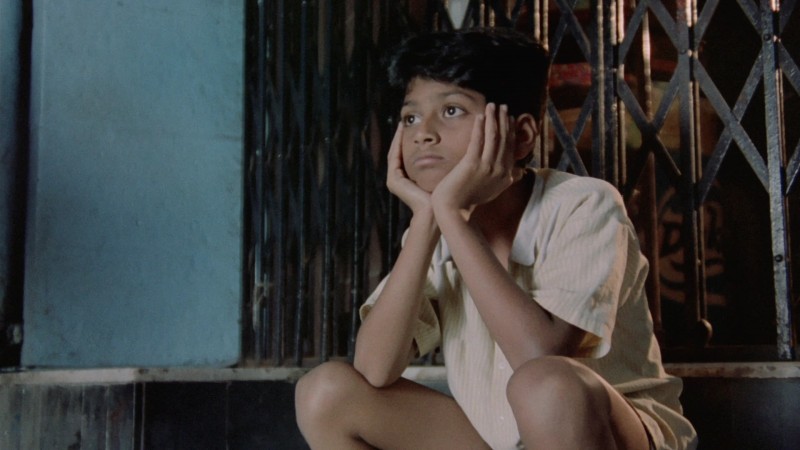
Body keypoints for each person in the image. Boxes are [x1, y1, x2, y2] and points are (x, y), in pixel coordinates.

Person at [294, 27, 698, 450]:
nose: (423, 133)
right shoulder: (434, 226)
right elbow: (374, 369)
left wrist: (454, 217)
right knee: (326, 392)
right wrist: (429, 219)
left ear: (520, 136)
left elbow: (539, 358)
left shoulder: (584, 205)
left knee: (547, 385)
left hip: (606, 432)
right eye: (410, 117)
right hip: (498, 437)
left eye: (451, 110)